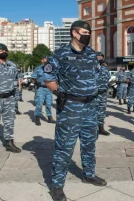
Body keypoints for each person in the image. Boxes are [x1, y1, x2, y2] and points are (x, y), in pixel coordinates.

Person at [43, 20, 107, 201]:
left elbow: (96, 75)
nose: (87, 34)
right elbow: (48, 78)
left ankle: (89, 174)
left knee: (89, 143)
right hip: (71, 107)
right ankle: (57, 185)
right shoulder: (60, 54)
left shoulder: (92, 54)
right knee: (64, 147)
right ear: (74, 33)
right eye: (83, 32)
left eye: (89, 32)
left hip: (90, 106)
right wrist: (59, 93)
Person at [31, 56, 54, 126]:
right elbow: (33, 77)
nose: (46, 60)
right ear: (41, 60)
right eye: (44, 59)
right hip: (40, 88)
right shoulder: (38, 68)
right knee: (39, 104)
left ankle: (49, 117)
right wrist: (35, 84)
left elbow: (54, 77)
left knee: (49, 103)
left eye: (47, 59)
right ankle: (37, 118)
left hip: (49, 88)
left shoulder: (51, 68)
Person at [96, 52, 111, 136]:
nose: (100, 58)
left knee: (102, 111)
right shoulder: (91, 67)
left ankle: (101, 128)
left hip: (103, 93)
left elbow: (108, 78)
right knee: (92, 111)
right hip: (94, 94)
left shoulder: (105, 68)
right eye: (98, 56)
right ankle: (92, 129)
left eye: (101, 56)